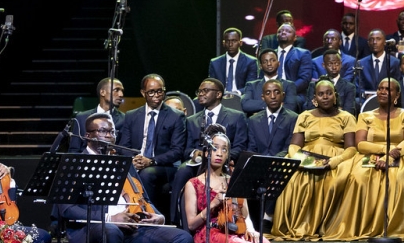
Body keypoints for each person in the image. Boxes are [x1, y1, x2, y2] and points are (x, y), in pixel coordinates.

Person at [56, 114, 194, 243]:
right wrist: (110, 217)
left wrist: (158, 215)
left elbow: (143, 197)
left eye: (111, 132)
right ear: (87, 135)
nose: (108, 136)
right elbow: (67, 210)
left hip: (130, 227)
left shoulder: (122, 162)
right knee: (110, 231)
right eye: (102, 131)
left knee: (182, 238)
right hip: (91, 231)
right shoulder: (75, 163)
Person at [184, 132, 306, 243]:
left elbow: (244, 212)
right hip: (209, 231)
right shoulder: (193, 184)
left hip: (235, 227)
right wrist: (214, 204)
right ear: (207, 152)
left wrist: (251, 229)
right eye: (215, 148)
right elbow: (192, 224)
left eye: (224, 150)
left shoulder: (233, 180)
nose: (219, 153)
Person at [323, 78, 404, 240]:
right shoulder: (365, 116)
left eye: (388, 89)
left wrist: (391, 155)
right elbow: (361, 144)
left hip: (401, 154)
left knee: (398, 179)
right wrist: (385, 150)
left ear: (397, 95)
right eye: (380, 88)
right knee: (359, 178)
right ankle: (365, 226)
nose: (383, 92)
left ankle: (394, 227)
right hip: (371, 154)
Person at [269, 80, 357, 241]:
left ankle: (328, 226)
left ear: (335, 96)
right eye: (321, 94)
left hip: (334, 159)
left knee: (338, 179)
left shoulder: (347, 117)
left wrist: (336, 161)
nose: (325, 97)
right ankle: (292, 222)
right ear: (315, 98)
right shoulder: (304, 116)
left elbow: (352, 148)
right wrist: (300, 159)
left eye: (329, 93)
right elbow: (294, 145)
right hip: (307, 158)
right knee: (293, 179)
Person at [170, 78, 250, 220]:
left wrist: (222, 156)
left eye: (205, 91)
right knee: (182, 171)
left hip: (223, 162)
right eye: (199, 91)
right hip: (198, 163)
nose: (201, 94)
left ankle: (234, 220)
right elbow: (185, 149)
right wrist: (195, 153)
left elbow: (240, 146)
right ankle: (175, 219)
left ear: (218, 94)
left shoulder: (236, 117)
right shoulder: (192, 120)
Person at [118, 74, 188, 211]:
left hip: (163, 166)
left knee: (146, 173)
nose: (156, 95)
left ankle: (147, 213)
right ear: (143, 93)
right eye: (151, 92)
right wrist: (135, 159)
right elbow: (124, 146)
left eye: (160, 91)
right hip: (136, 162)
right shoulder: (132, 116)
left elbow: (177, 151)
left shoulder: (175, 116)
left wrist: (150, 161)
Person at [244, 80, 298, 229]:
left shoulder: (293, 118)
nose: (273, 96)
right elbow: (252, 146)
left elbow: (290, 146)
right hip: (259, 163)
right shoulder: (253, 120)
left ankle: (268, 217)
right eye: (268, 93)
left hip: (280, 163)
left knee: (275, 173)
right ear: (262, 97)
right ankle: (250, 221)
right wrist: (260, 162)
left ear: (283, 95)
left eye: (276, 92)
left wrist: (271, 161)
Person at [62, 77, 126, 151]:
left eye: (122, 91)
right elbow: (74, 149)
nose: (121, 94)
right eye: (116, 90)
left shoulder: (124, 119)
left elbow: (124, 149)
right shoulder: (81, 118)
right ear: (102, 92)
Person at [241, 49, 300, 114]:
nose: (269, 64)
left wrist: (257, 107)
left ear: (278, 63)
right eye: (265, 62)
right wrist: (276, 103)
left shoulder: (289, 85)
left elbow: (291, 107)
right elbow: (246, 104)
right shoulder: (251, 85)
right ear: (260, 66)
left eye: (272, 60)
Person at [209, 28, 258, 96]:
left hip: (241, 97)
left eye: (234, 41)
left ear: (240, 43)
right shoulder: (215, 63)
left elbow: (251, 85)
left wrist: (236, 93)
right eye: (227, 41)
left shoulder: (250, 61)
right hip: (220, 98)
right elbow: (212, 85)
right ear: (223, 43)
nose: (230, 44)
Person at [316, 49, 360, 116]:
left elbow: (348, 112)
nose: (334, 67)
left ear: (341, 64)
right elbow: (310, 108)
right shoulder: (315, 85)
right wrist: (338, 109)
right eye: (330, 64)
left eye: (337, 64)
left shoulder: (349, 87)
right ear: (324, 65)